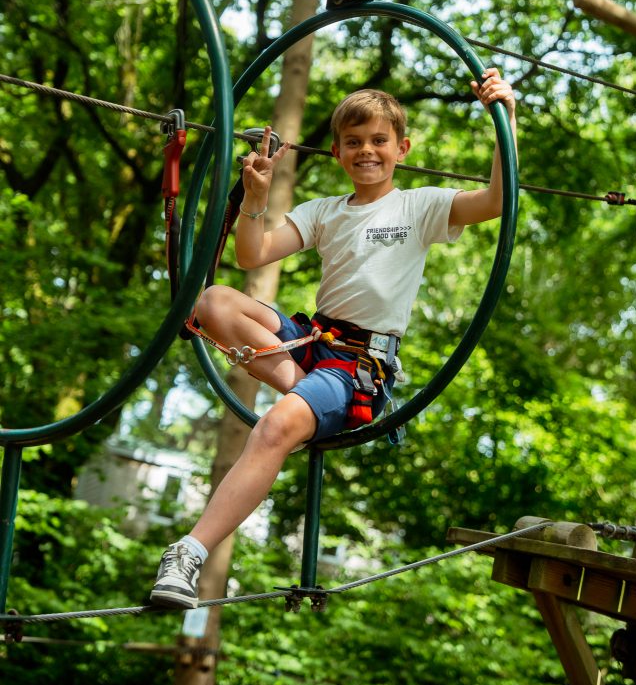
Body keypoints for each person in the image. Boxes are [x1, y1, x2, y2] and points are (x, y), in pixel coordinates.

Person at [150, 68, 517, 608]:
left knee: (275, 427)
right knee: (211, 303)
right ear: (337, 151)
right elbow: (251, 254)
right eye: (353, 142)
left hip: (358, 363)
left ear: (402, 147)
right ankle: (305, 399)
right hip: (312, 339)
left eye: (378, 141)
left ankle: (189, 552)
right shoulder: (325, 211)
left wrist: (505, 116)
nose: (365, 151)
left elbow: (495, 200)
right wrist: (256, 196)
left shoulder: (420, 206)